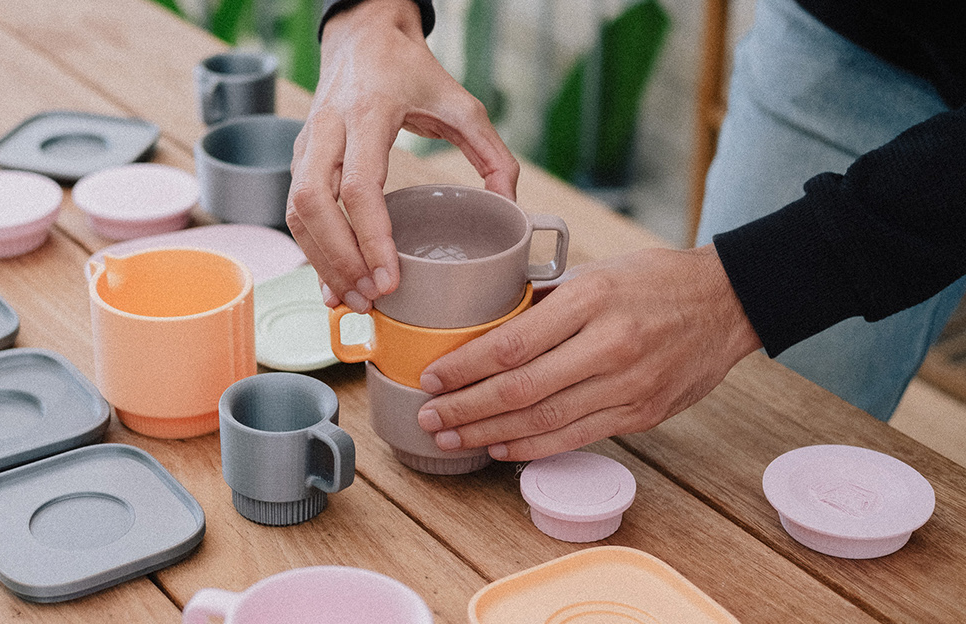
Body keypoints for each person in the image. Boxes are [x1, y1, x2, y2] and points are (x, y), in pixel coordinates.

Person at [286, 0, 966, 462]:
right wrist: (366, 18)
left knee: (786, 450)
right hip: (848, 28)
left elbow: (753, 293)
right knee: (737, 423)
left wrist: (741, 290)